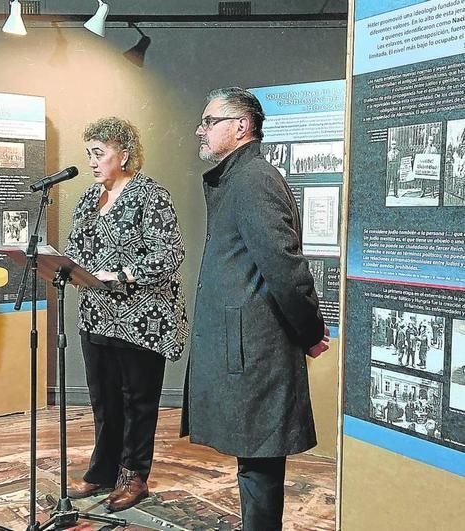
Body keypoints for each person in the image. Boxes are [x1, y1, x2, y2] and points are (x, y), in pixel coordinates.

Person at [181, 88, 329, 530]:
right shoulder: (240, 178)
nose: (200, 130)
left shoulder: (254, 180)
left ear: (241, 126)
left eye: (209, 122)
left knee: (260, 465)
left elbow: (285, 268)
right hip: (248, 345)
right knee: (255, 462)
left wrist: (310, 331)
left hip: (257, 348)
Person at [65, 117, 188, 512]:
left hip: (142, 319)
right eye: (89, 153)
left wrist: (120, 275)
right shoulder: (89, 197)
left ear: (124, 154)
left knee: (137, 402)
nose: (91, 161)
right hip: (96, 316)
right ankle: (102, 472)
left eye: (99, 153)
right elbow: (75, 246)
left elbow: (170, 254)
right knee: (104, 401)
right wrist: (72, 269)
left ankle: (134, 477)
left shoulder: (152, 195)